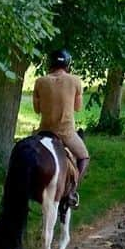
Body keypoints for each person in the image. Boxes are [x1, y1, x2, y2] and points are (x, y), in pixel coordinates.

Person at [32, 50, 89, 207]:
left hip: (43, 131)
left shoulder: (40, 81)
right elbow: (78, 107)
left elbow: (36, 109)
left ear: (50, 63)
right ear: (67, 64)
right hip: (66, 133)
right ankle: (72, 192)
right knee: (84, 156)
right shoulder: (75, 81)